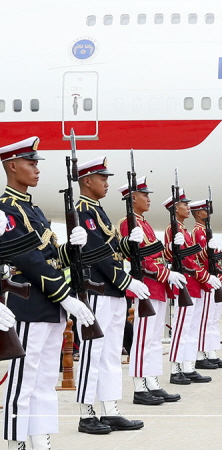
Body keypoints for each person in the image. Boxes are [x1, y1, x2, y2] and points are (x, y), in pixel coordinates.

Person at [0, 137, 96, 449]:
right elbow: (29, 262)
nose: (37, 169)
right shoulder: (7, 211)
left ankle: (40, 440)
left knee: (44, 382)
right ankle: (17, 443)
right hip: (28, 303)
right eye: (31, 163)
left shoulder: (34, 210)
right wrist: (66, 296)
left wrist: (71, 248)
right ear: (12, 166)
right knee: (23, 383)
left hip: (49, 305)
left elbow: (52, 258)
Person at [74, 157, 149, 434]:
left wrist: (130, 243)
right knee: (93, 353)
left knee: (111, 354)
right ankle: (86, 412)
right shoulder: (81, 211)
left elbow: (114, 250)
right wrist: (127, 280)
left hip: (113, 293)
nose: (107, 183)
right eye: (102, 178)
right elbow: (96, 254)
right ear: (87, 181)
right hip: (97, 290)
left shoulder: (99, 211)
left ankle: (109, 408)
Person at [118, 177, 185, 406]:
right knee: (143, 339)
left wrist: (170, 248)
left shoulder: (144, 224)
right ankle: (139, 387)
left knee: (154, 339)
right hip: (146, 285)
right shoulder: (129, 223)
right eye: (144, 195)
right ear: (132, 197)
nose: (148, 199)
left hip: (157, 287)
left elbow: (155, 254)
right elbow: (141, 259)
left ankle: (153, 382)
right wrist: (167, 274)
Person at [163, 191, 217, 385]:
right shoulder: (173, 229)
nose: (188, 207)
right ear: (175, 208)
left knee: (191, 328)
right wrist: (203, 275)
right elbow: (174, 257)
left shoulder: (185, 231)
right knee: (181, 328)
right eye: (184, 204)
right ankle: (176, 369)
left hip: (193, 283)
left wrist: (207, 251)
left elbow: (195, 257)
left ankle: (188, 366)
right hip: (184, 282)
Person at [189, 199, 222, 369]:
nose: (208, 212)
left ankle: (211, 352)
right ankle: (201, 355)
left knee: (213, 319)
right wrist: (212, 251)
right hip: (205, 278)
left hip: (214, 277)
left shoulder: (205, 231)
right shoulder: (197, 231)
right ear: (198, 213)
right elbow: (202, 258)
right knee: (205, 320)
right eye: (204, 210)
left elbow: (213, 258)